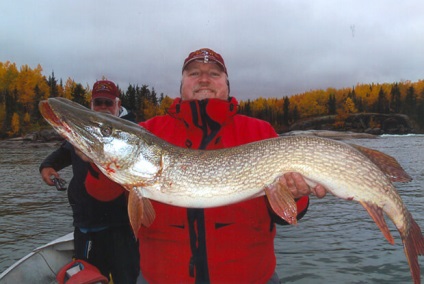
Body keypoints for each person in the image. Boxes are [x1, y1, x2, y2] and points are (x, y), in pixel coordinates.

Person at [131, 48, 326, 283]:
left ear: (227, 84)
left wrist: (295, 196)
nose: (203, 79)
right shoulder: (147, 132)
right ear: (181, 84)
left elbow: (285, 216)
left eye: (214, 73)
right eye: (194, 73)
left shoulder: (260, 132)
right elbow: (101, 200)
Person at [39, 80, 140, 284]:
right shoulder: (83, 133)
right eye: (98, 103)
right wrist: (47, 167)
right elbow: (62, 154)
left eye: (108, 103)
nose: (103, 108)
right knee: (89, 275)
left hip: (119, 225)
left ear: (118, 106)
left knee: (125, 276)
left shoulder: (131, 134)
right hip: (86, 223)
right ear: (91, 105)